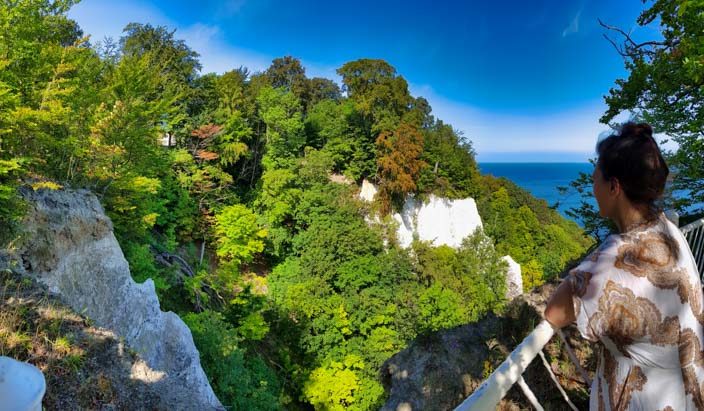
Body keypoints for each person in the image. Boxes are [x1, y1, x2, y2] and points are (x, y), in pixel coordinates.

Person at [544, 122, 704, 410]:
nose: (593, 189)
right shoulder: (668, 229)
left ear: (614, 186)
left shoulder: (615, 259)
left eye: (596, 179)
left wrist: (592, 263)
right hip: (687, 391)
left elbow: (554, 312)